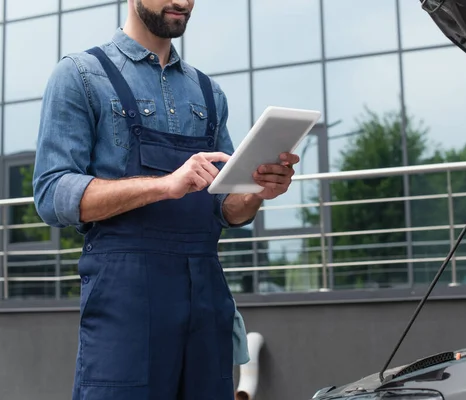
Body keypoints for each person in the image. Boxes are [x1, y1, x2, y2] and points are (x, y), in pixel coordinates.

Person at [32, 1, 299, 399]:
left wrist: (258, 192)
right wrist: (163, 185)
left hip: (206, 295)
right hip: (126, 300)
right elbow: (51, 194)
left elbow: (224, 206)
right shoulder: (80, 76)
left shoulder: (209, 92)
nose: (183, 2)